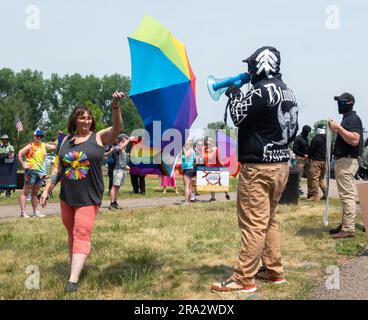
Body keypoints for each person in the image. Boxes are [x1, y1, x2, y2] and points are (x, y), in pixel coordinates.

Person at [211, 46, 298, 293]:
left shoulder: (261, 91)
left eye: (250, 66)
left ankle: (243, 279)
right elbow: (293, 128)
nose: (248, 70)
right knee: (268, 220)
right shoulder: (289, 91)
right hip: (280, 165)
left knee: (253, 224)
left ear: (259, 65)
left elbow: (238, 116)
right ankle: (274, 271)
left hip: (259, 167)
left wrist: (235, 93)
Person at [40, 91, 124, 292]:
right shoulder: (66, 141)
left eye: (88, 117)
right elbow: (59, 169)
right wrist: (46, 190)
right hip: (67, 197)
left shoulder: (99, 137)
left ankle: (73, 281)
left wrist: (115, 106)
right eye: (82, 117)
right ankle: (75, 267)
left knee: (81, 232)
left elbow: (117, 128)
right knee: (72, 233)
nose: (86, 120)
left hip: (89, 196)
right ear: (75, 120)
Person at [328, 92, 363, 239]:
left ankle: (348, 228)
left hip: (347, 162)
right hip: (345, 161)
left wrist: (339, 129)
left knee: (347, 196)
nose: (338, 104)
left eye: (341, 102)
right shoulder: (348, 119)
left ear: (349, 103)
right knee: (345, 195)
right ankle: (345, 225)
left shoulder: (353, 119)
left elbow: (355, 140)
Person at [18, 129, 57, 218]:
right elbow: (20, 153)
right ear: (34, 136)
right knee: (25, 192)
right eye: (37, 136)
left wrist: (59, 138)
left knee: (35, 193)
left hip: (41, 173)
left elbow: (54, 147)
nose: (39, 138)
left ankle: (35, 212)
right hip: (31, 171)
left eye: (41, 136)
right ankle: (23, 212)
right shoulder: (30, 146)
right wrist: (23, 164)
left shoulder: (43, 145)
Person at [203, 136, 230, 201]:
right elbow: (204, 159)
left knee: (221, 182)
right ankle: (213, 197)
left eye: (209, 143)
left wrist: (224, 165)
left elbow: (220, 159)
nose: (208, 145)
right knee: (211, 182)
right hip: (209, 168)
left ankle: (226, 194)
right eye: (207, 143)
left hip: (218, 168)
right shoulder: (204, 150)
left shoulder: (216, 150)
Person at [109, 133, 130, 210]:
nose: (127, 140)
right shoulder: (117, 147)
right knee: (114, 186)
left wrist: (128, 167)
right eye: (126, 138)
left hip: (122, 169)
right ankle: (111, 203)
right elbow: (119, 149)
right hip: (117, 170)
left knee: (118, 187)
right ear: (122, 139)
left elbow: (122, 161)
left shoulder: (123, 149)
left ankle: (115, 202)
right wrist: (128, 140)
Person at [308, 124, 327, 201]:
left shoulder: (316, 138)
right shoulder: (328, 139)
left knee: (315, 178)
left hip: (316, 161)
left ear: (317, 129)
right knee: (321, 178)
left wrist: (309, 156)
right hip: (325, 161)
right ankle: (325, 194)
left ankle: (315, 196)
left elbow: (311, 150)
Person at [292, 125, 311, 197]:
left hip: (307, 159)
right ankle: (296, 192)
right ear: (304, 131)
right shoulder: (298, 139)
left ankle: (310, 192)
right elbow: (294, 150)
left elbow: (307, 148)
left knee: (310, 176)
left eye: (309, 132)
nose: (308, 133)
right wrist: (303, 155)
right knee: (298, 176)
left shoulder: (306, 139)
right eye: (307, 132)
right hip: (299, 159)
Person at [181, 139, 196, 205]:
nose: (185, 146)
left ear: (190, 145)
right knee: (188, 186)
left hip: (189, 169)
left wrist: (183, 148)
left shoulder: (191, 150)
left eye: (186, 144)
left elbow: (187, 156)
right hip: (185, 169)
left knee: (187, 186)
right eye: (185, 145)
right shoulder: (187, 151)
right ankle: (188, 201)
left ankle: (186, 202)